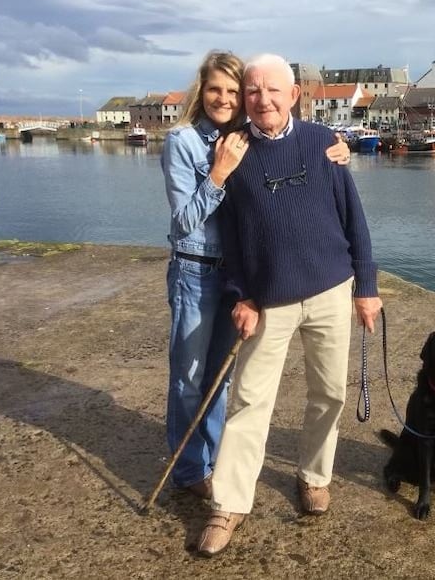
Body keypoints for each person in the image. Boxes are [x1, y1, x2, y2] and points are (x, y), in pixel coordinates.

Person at [196, 54, 382, 556]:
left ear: (294, 94)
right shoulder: (232, 150)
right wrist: (243, 296)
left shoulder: (324, 144)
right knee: (249, 403)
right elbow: (229, 238)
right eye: (252, 91)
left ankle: (314, 475)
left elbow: (354, 221)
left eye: (273, 90)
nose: (263, 100)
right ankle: (229, 505)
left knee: (329, 394)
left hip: (330, 289)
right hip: (269, 302)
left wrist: (366, 287)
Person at [162, 51, 350, 500]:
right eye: (216, 90)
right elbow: (182, 222)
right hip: (197, 270)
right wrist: (220, 173)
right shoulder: (184, 141)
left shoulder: (244, 139)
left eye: (233, 91)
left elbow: (290, 166)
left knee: (222, 379)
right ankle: (192, 472)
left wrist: (334, 147)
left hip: (241, 277)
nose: (225, 99)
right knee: (189, 378)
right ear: (200, 92)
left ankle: (211, 461)